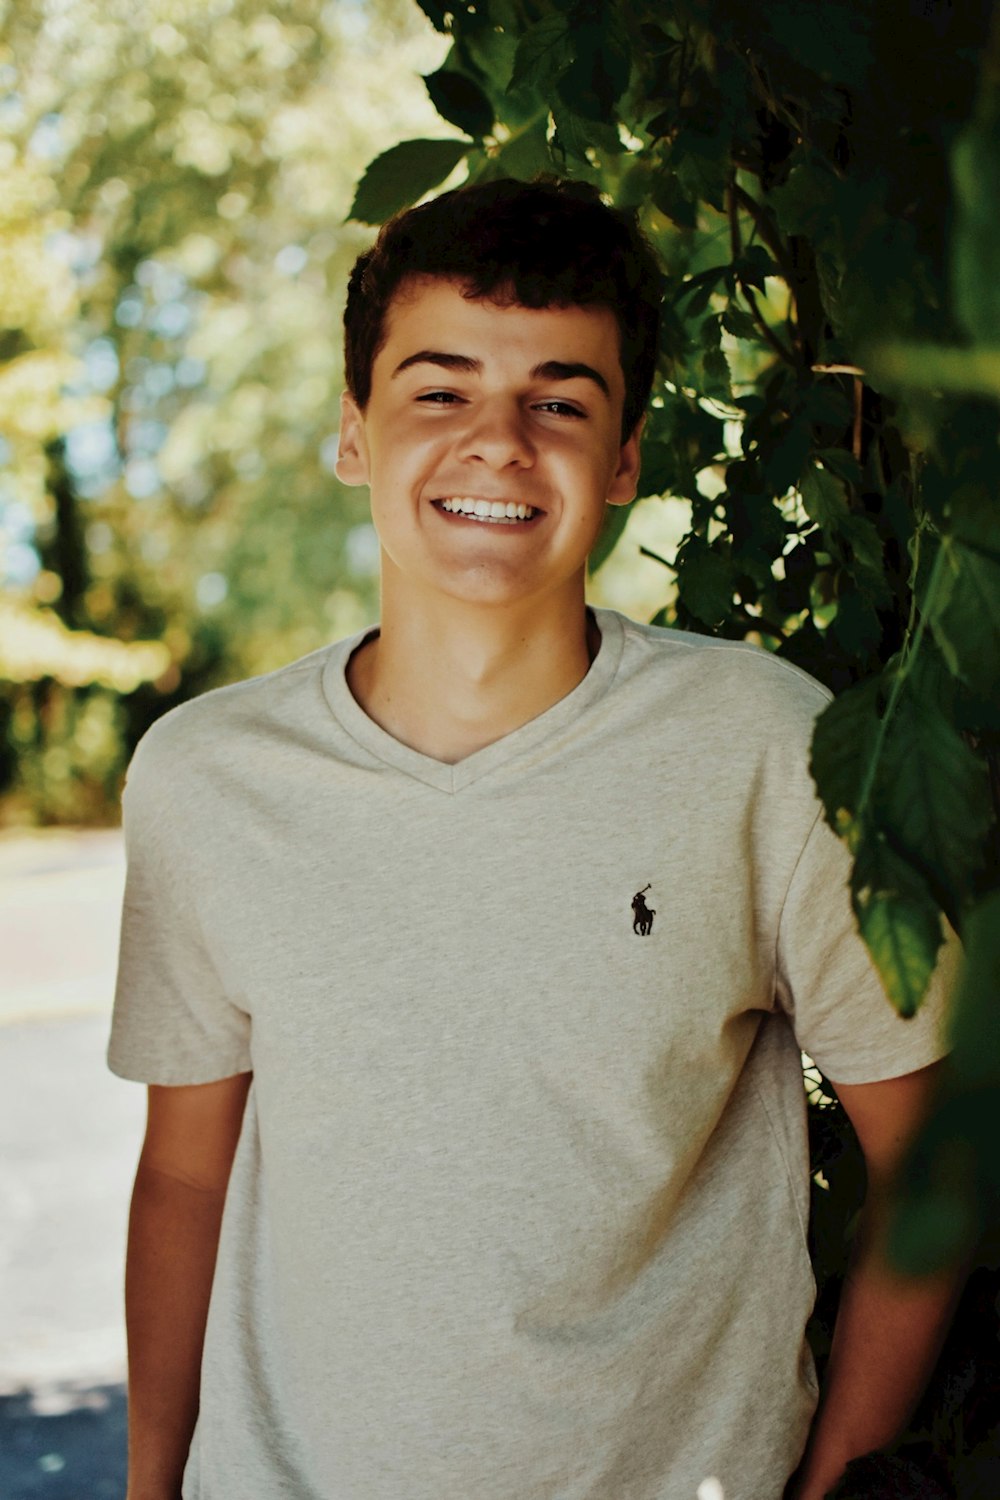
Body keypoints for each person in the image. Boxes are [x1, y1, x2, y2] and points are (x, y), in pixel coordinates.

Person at [109, 176, 960, 1500]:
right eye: (438, 391)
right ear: (354, 432)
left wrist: (836, 1482)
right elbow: (181, 1183)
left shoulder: (768, 751)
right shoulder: (207, 778)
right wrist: (148, 1486)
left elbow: (935, 1165)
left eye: (560, 401)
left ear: (624, 460)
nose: (498, 442)